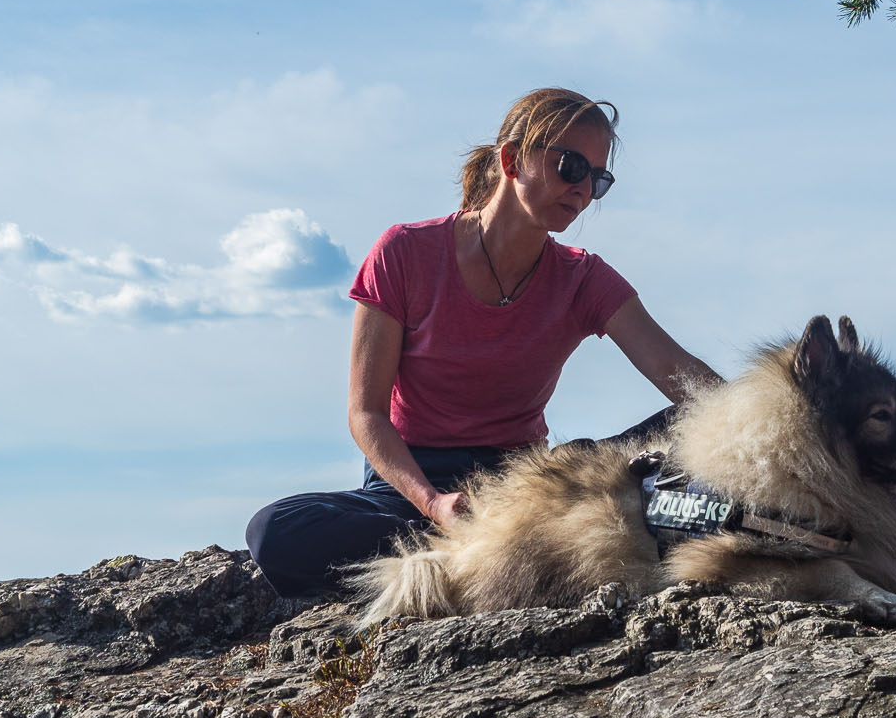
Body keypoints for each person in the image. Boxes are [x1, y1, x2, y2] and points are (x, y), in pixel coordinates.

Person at [245, 88, 720, 599]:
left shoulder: (584, 277)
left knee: (696, 421)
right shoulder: (404, 253)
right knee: (274, 531)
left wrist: (777, 423)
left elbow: (678, 372)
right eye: (570, 165)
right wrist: (433, 504)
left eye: (598, 179)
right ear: (512, 159)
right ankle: (494, 553)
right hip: (410, 491)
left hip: (524, 489)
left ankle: (492, 553)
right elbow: (367, 415)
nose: (583, 189)